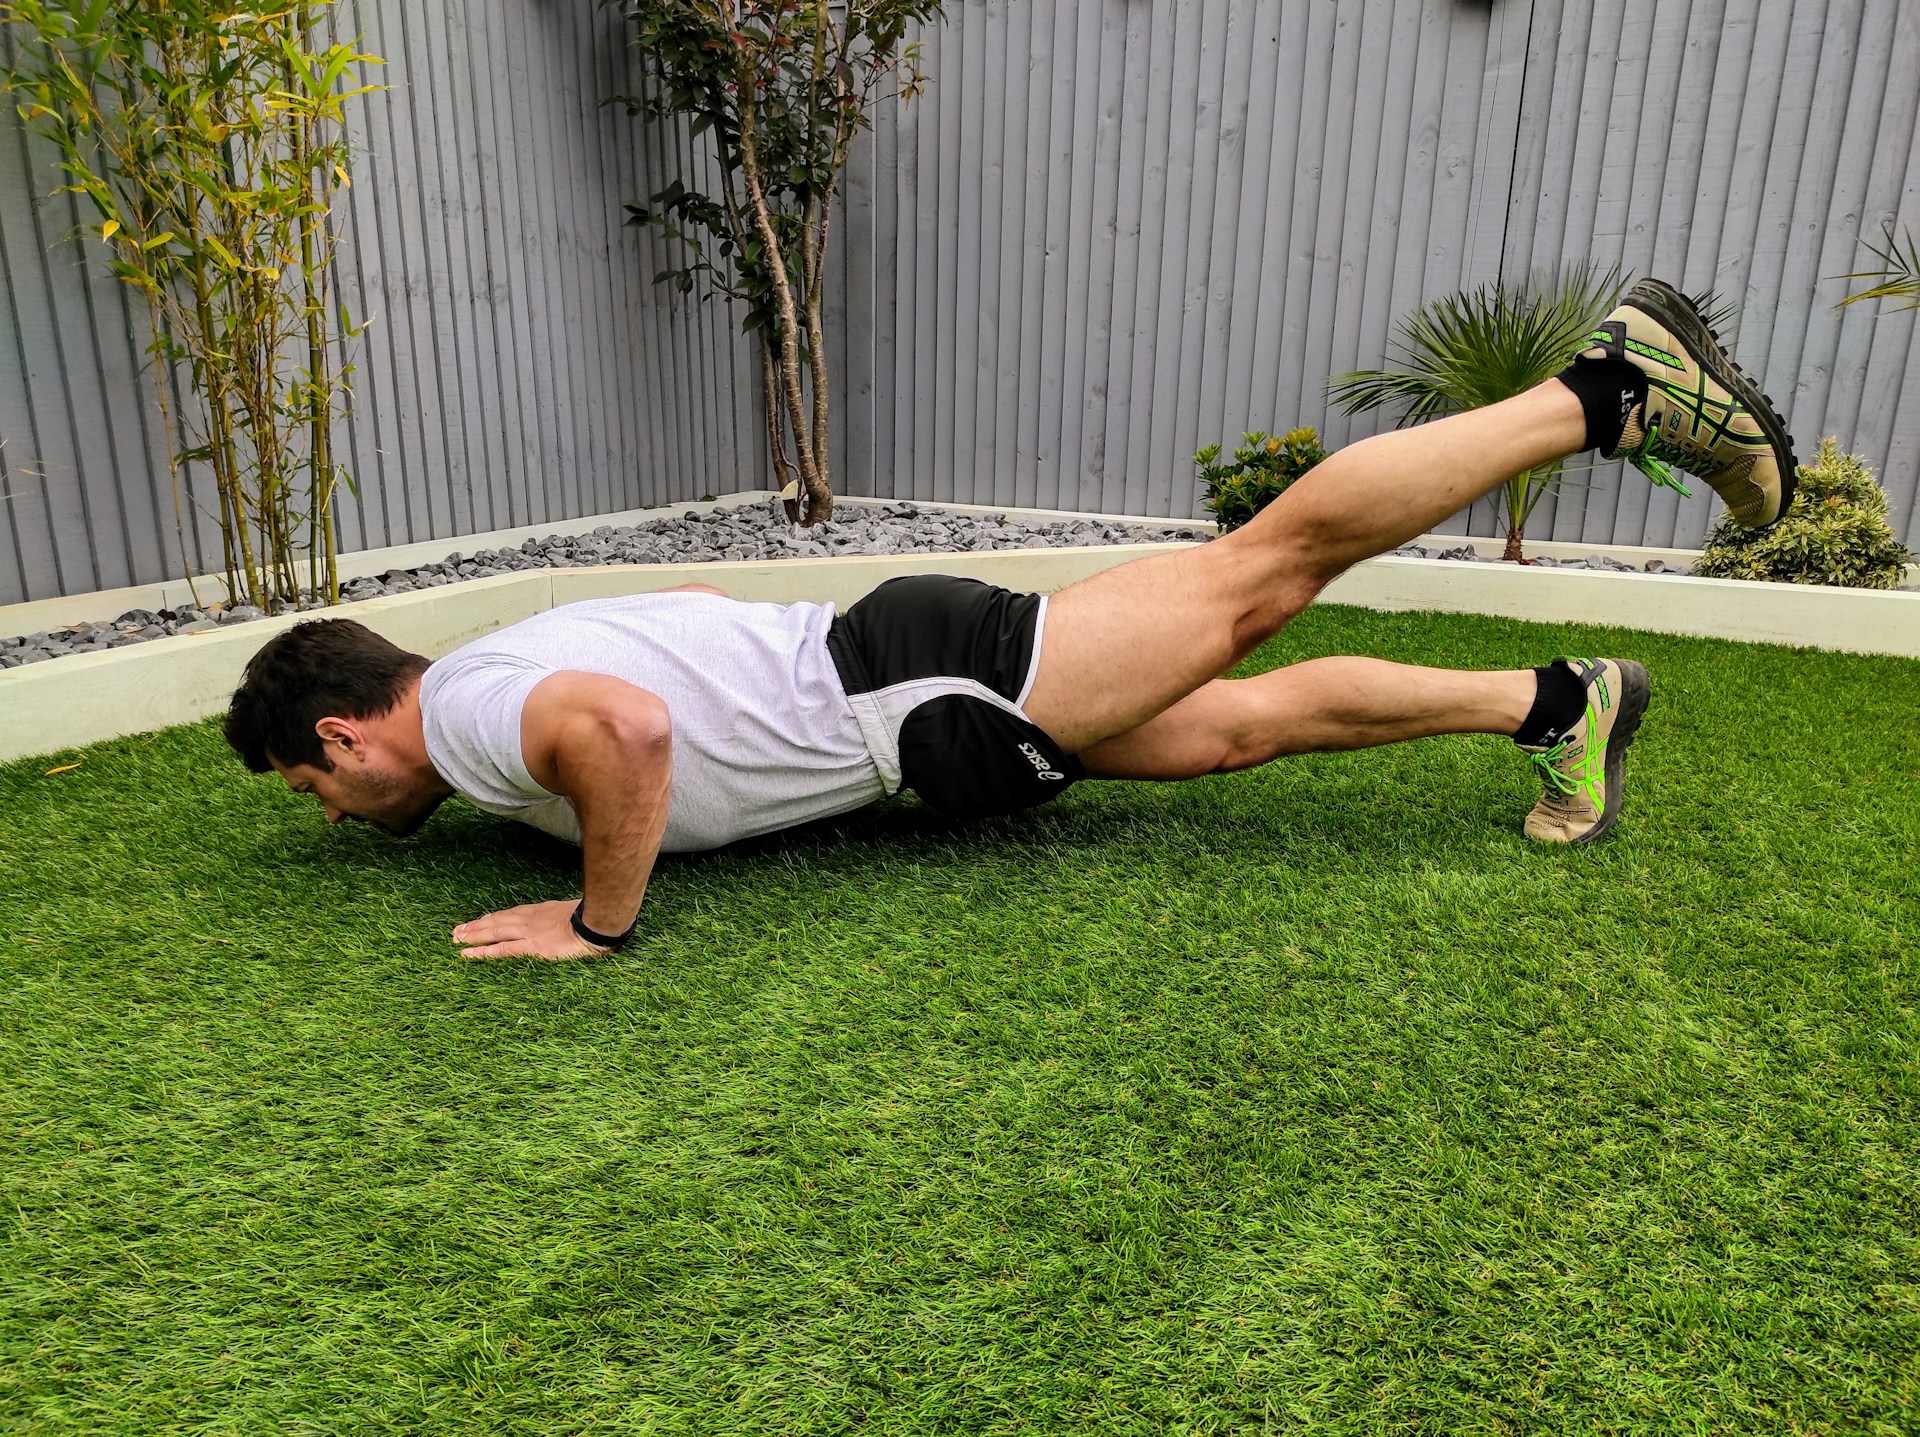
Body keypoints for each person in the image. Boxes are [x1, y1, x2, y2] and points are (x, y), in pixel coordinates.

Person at [224, 280, 1795, 961]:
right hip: (913, 689)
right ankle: (1559, 704)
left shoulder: (475, 726)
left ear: (348, 732)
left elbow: (625, 731)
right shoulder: (494, 659)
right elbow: (686, 619)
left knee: (1268, 567)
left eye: (314, 785)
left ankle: (1605, 390)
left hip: (924, 690)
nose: (336, 811)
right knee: (1233, 727)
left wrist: (595, 919)